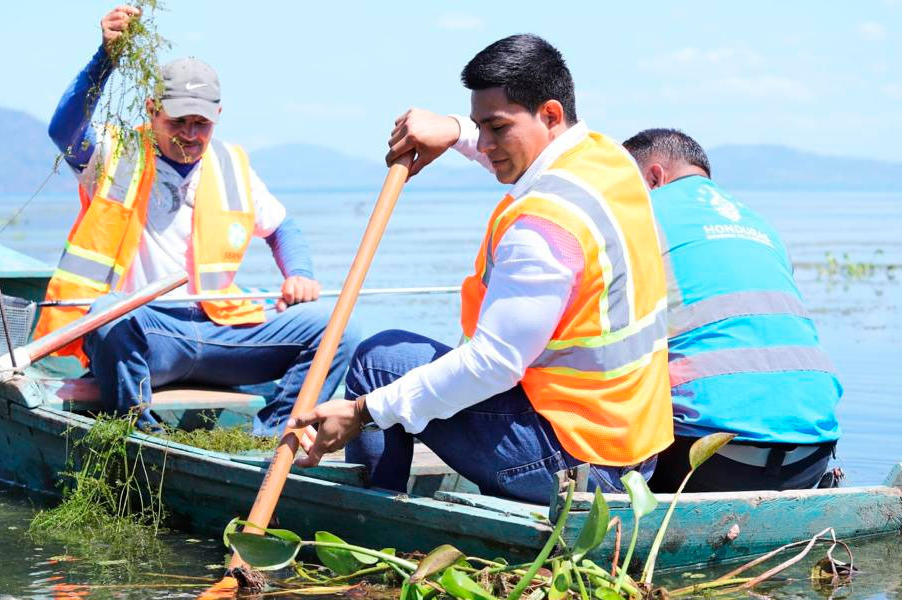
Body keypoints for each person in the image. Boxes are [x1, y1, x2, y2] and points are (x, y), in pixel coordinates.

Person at [287, 34, 673, 504]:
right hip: (630, 455)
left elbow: (492, 365)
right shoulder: (611, 161)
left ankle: (371, 520)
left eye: (497, 128)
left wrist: (362, 412)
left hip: (567, 466)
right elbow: (525, 154)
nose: (486, 145)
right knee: (402, 377)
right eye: (479, 128)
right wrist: (454, 131)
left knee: (378, 363)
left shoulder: (544, 227)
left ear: (551, 115)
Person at [34, 5, 359, 433]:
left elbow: (283, 229)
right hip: (148, 332)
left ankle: (275, 436)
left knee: (338, 327)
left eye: (201, 123)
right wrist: (105, 58)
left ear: (218, 116)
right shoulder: (114, 155)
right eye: (178, 121)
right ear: (152, 109)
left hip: (223, 330)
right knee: (107, 315)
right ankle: (141, 432)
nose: (189, 134)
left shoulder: (232, 164)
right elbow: (64, 128)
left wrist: (299, 274)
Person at [621, 128, 841, 492]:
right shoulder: (760, 225)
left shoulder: (639, 215)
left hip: (704, 460)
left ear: (654, 176)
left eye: (625, 184)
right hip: (812, 456)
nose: (618, 196)